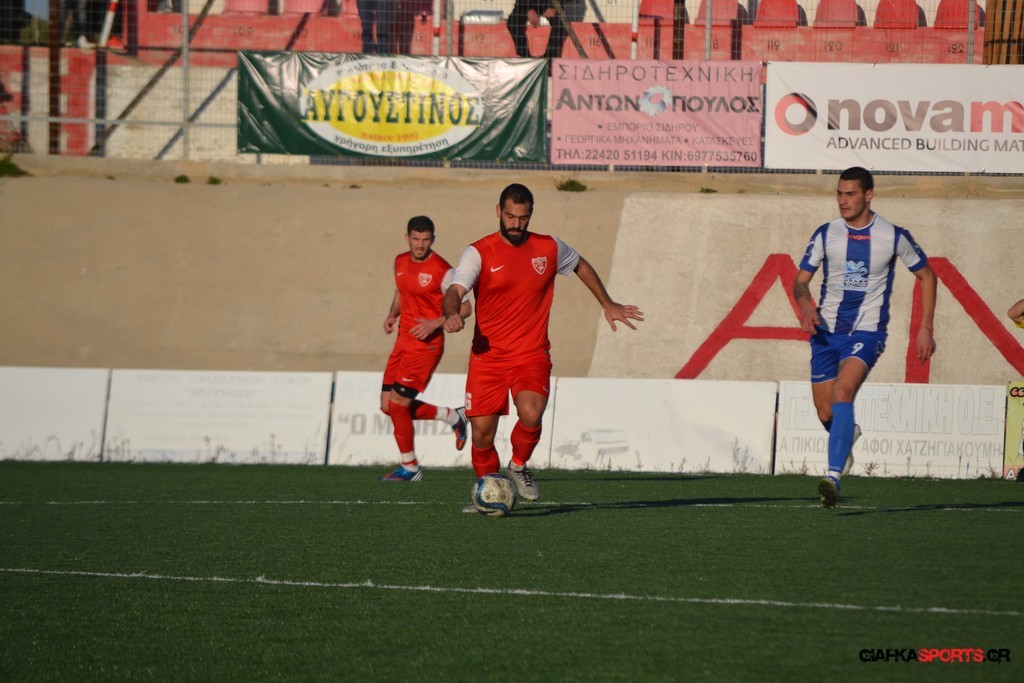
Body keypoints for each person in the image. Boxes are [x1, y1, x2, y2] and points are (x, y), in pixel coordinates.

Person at [442, 183, 643, 511]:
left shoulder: (548, 247)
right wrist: (451, 313)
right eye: (510, 216)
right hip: (488, 358)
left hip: (531, 353)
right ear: (499, 211)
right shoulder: (478, 252)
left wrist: (607, 303)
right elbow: (455, 290)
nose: (516, 224)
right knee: (481, 435)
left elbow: (580, 265)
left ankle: (518, 465)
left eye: (523, 218)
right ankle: (489, 494)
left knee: (531, 412)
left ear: (531, 214)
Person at [793, 166, 936, 509]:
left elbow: (928, 277)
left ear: (868, 195)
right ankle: (846, 435)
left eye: (851, 194)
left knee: (843, 391)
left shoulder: (893, 236)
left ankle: (832, 477)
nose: (843, 200)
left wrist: (925, 328)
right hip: (825, 332)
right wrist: (806, 306)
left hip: (866, 332)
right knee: (825, 412)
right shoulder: (826, 233)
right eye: (839, 194)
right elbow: (800, 282)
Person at [379, 216, 471, 482]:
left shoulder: (443, 271)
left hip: (425, 347)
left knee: (398, 405)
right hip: (403, 342)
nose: (420, 245)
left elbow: (466, 307)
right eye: (416, 239)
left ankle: (410, 468)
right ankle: (452, 416)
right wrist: (392, 315)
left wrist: (436, 322)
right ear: (407, 238)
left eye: (426, 239)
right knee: (387, 406)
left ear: (433, 239)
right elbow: (401, 292)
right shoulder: (399, 262)